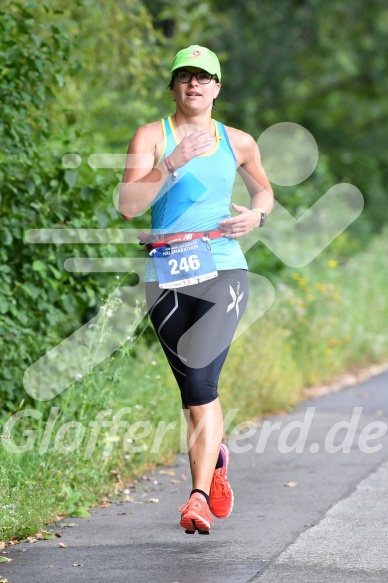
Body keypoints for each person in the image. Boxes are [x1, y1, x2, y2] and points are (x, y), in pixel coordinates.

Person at [119, 45, 274, 534]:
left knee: (203, 385)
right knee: (192, 395)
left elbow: (263, 191)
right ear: (173, 86)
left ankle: (197, 498)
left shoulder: (239, 141)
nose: (194, 85)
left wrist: (257, 215)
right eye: (185, 77)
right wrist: (171, 161)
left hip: (224, 269)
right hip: (166, 273)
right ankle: (217, 462)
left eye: (204, 78)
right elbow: (127, 205)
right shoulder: (151, 136)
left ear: (217, 88)